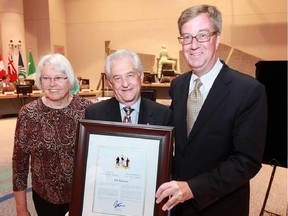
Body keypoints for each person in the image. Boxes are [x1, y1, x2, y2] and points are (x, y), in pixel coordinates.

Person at [155, 4, 267, 216]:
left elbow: (247, 161)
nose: (193, 44)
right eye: (186, 37)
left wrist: (193, 188)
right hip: (178, 206)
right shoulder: (178, 86)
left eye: (202, 35)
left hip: (221, 206)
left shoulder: (249, 91)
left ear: (217, 38)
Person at [12, 53, 93, 216]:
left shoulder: (87, 110)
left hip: (82, 195)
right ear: (40, 81)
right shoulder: (28, 114)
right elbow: (19, 164)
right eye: (46, 78)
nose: (52, 84)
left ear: (69, 79)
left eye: (59, 78)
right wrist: (21, 209)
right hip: (44, 198)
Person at [85, 49, 172, 126]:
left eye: (130, 75)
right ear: (110, 84)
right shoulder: (94, 116)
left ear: (141, 77)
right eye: (117, 78)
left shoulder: (163, 115)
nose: (125, 84)